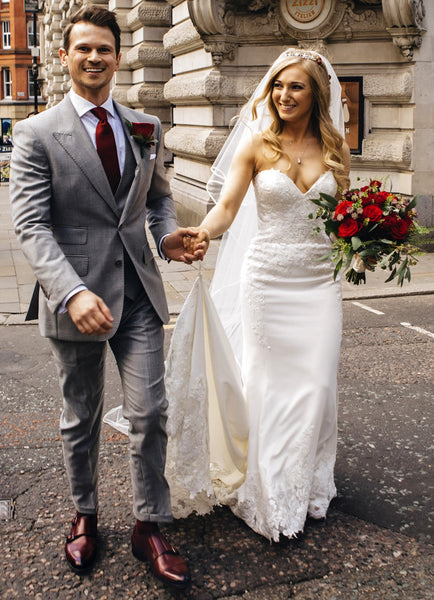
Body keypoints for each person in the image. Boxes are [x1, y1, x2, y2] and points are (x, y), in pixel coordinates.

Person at [9, 5, 204, 591]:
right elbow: (31, 225)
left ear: (117, 57)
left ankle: (150, 524)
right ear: (66, 56)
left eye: (104, 49)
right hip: (78, 299)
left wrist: (167, 237)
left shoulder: (146, 126)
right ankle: (85, 513)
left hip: (139, 294)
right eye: (83, 49)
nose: (95, 58)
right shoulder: (36, 133)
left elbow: (157, 199)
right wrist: (70, 293)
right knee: (81, 417)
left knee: (149, 413)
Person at [175, 48, 351, 541]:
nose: (284, 95)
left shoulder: (336, 149)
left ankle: (307, 481)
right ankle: (271, 489)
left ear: (316, 92)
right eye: (277, 85)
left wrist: (370, 243)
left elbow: (344, 220)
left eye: (296, 86)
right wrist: (203, 233)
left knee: (316, 385)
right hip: (267, 281)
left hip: (319, 284)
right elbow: (227, 207)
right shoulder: (256, 145)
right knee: (269, 384)